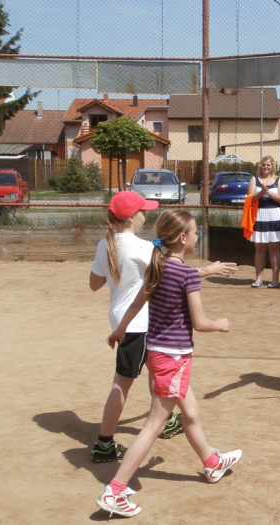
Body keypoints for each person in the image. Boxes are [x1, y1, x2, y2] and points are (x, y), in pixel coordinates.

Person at [97, 210, 242, 518]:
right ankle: (115, 491)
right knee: (154, 424)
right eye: (195, 233)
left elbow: (136, 304)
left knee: (191, 411)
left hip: (158, 353)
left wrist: (120, 330)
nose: (197, 237)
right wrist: (220, 324)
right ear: (183, 238)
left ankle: (212, 463)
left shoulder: (157, 267)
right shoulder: (186, 275)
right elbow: (199, 323)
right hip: (174, 359)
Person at [90, 192, 186, 463]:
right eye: (143, 211)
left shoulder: (105, 244)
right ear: (131, 217)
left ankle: (166, 419)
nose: (146, 215)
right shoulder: (144, 248)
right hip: (140, 323)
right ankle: (104, 443)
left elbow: (95, 284)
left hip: (122, 321)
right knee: (122, 383)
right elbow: (171, 274)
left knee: (155, 370)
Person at [248, 155, 280, 288]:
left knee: (274, 248)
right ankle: (258, 279)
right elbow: (250, 199)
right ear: (260, 166)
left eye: (268, 165)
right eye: (263, 164)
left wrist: (268, 193)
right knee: (259, 249)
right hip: (259, 216)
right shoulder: (254, 179)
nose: (266, 167)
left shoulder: (278, 180)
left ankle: (275, 279)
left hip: (275, 217)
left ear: (272, 166)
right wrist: (261, 192)